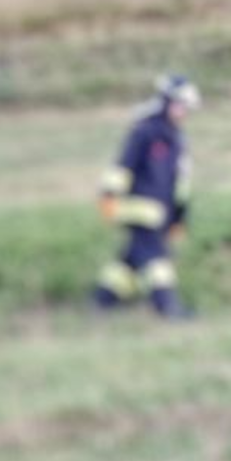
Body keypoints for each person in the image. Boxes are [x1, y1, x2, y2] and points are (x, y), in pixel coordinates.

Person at [93, 74, 200, 319]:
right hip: (137, 209)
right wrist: (109, 196)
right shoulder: (145, 131)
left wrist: (179, 218)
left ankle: (101, 302)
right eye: (180, 105)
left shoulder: (176, 139)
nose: (183, 112)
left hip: (160, 213)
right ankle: (168, 309)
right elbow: (123, 167)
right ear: (166, 102)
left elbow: (180, 185)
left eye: (186, 108)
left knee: (128, 263)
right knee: (157, 258)